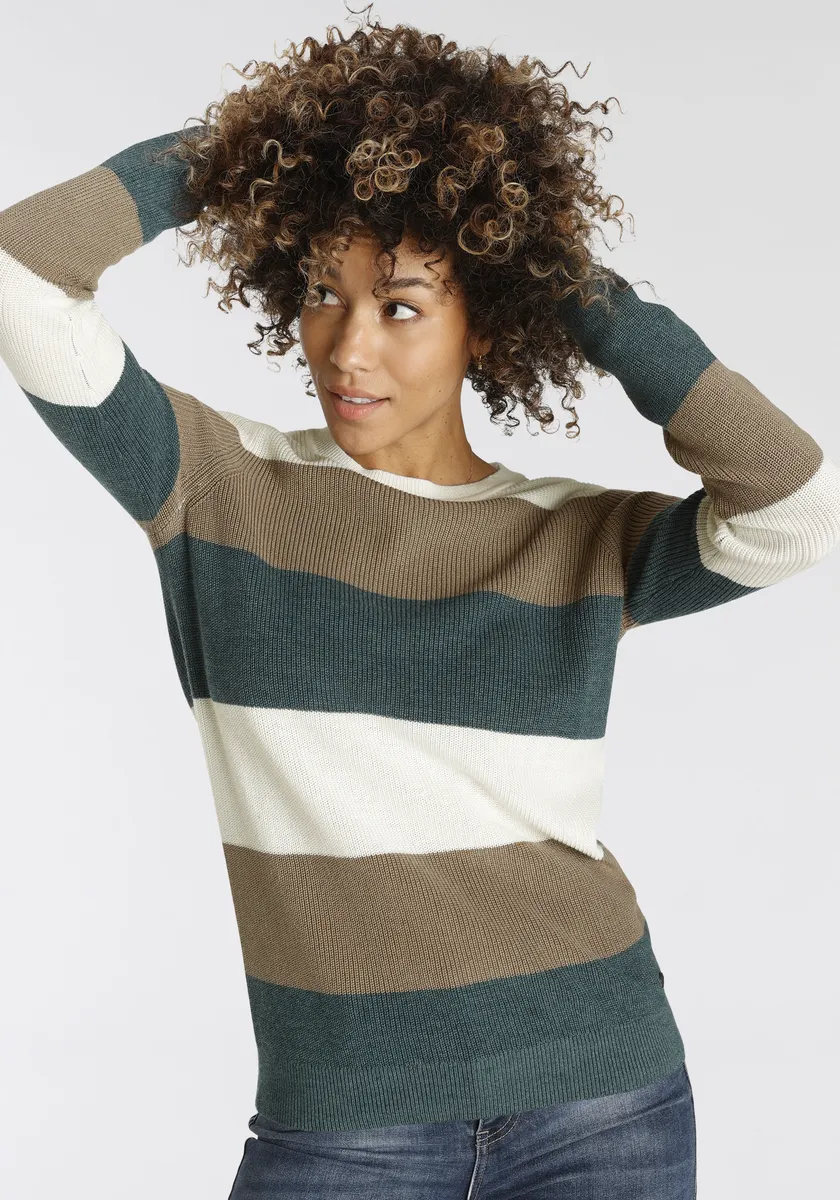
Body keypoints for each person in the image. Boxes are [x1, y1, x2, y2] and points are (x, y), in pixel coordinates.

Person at [2, 12, 839, 1200]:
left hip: (601, 1097)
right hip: (342, 1124)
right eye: (322, 293)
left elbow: (795, 506)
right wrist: (240, 152)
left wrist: (579, 294)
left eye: (401, 305)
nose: (348, 349)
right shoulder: (211, 484)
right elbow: (20, 273)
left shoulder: (574, 534)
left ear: (483, 324)